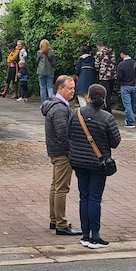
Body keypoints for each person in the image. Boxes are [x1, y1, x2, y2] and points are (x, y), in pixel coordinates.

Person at [67, 84, 121, 248]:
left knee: (84, 197)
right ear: (103, 99)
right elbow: (115, 141)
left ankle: (85, 234)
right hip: (98, 163)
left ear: (88, 97)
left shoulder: (75, 113)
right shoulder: (107, 118)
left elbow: (69, 134)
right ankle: (95, 236)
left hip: (78, 161)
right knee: (95, 198)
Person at [42, 74, 80, 235]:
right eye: (69, 88)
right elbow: (63, 134)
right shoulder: (59, 109)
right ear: (60, 88)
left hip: (56, 151)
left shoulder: (55, 105)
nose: (72, 91)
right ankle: (61, 224)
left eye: (73, 88)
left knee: (55, 186)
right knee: (61, 188)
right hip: (62, 153)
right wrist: (71, 152)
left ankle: (54, 219)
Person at [116, 47, 136, 129]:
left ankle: (130, 121)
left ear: (122, 54)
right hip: (134, 85)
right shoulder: (135, 63)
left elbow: (119, 76)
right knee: (132, 104)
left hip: (125, 86)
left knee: (127, 104)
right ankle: (129, 119)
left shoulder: (121, 64)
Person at [93, 40, 117, 112]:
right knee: (109, 94)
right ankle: (109, 108)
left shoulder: (99, 53)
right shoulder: (111, 52)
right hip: (112, 76)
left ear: (98, 46)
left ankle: (107, 110)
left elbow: (96, 65)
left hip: (104, 76)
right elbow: (114, 62)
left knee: (104, 93)